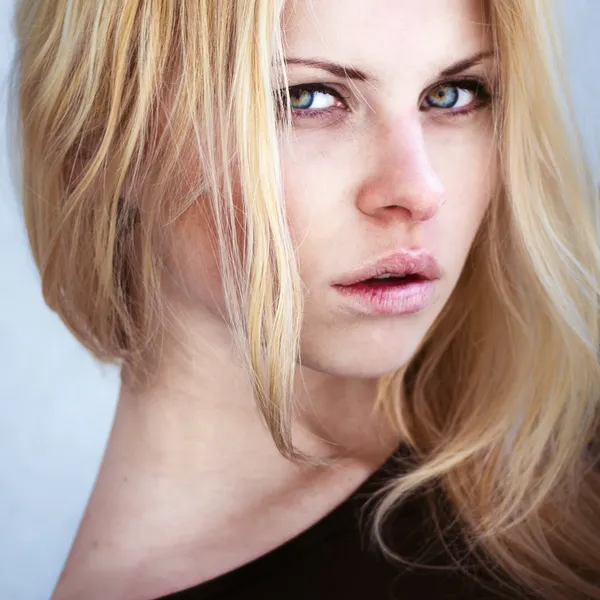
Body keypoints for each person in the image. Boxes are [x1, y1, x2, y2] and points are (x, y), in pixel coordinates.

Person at [13, 0, 600, 598]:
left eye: (453, 93)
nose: (420, 191)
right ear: (99, 143)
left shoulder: (571, 463)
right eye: (309, 98)